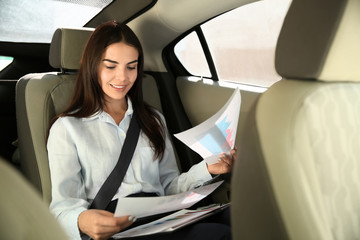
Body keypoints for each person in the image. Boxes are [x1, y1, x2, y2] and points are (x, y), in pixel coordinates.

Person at [47, 20, 236, 240]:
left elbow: (169, 187)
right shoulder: (67, 128)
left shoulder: (153, 119)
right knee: (220, 235)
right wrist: (82, 221)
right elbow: (62, 207)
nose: (123, 77)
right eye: (111, 66)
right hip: (117, 227)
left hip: (163, 215)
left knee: (240, 217)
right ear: (93, 66)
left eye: (131, 66)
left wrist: (207, 169)